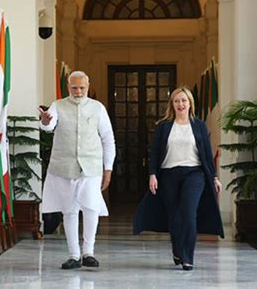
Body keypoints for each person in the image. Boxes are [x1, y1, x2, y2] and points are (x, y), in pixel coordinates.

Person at [133, 86, 224, 271]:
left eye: (184, 100)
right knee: (174, 216)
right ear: (172, 104)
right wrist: (152, 175)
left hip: (194, 174)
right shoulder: (164, 126)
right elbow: (155, 153)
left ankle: (188, 257)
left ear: (190, 103)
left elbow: (206, 154)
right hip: (168, 175)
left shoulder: (199, 125)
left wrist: (214, 177)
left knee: (189, 214)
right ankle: (177, 251)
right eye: (177, 101)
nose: (180, 104)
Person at [39, 70, 116, 270]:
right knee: (69, 210)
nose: (79, 91)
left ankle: (88, 252)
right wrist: (46, 122)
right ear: (68, 87)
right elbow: (49, 124)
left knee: (91, 208)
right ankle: (74, 255)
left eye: (82, 87)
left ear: (88, 86)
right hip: (64, 167)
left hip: (91, 167)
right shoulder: (58, 105)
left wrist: (108, 168)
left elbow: (108, 138)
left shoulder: (98, 108)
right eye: (75, 88)